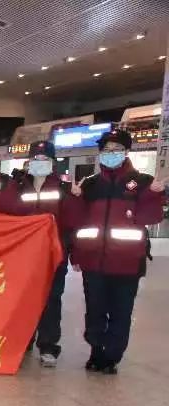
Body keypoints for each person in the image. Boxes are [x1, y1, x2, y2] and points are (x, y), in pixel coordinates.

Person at [70, 129, 165, 374]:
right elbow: (79, 221)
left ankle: (112, 356)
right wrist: (76, 255)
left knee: (121, 312)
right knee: (95, 310)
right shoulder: (90, 184)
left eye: (117, 149)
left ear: (126, 152)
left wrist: (153, 195)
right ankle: (96, 351)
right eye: (107, 150)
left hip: (128, 263)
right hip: (93, 262)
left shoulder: (142, 182)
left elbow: (151, 217)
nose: (111, 154)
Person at [12, 141, 80, 367]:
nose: (40, 163)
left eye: (45, 159)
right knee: (23, 299)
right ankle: (23, 340)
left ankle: (48, 346)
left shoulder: (63, 189)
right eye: (36, 159)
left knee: (51, 300)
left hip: (54, 255)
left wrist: (75, 198)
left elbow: (71, 223)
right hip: (25, 256)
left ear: (52, 162)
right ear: (29, 162)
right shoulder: (18, 187)